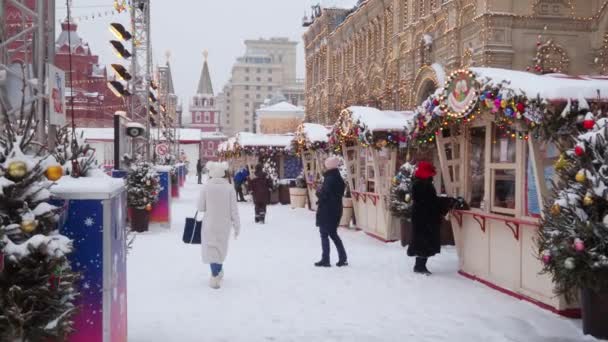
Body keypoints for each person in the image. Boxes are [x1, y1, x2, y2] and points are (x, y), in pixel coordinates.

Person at [197, 161, 241, 289]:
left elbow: (200, 207)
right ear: (223, 174)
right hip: (224, 224)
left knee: (212, 248)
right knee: (220, 248)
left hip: (209, 223)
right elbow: (234, 210)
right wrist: (237, 225)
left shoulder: (206, 187)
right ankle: (217, 273)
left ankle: (215, 275)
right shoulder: (229, 188)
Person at [408, 161, 442, 275]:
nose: (432, 175)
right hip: (423, 218)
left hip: (423, 217)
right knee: (423, 242)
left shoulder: (423, 182)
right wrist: (440, 203)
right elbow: (427, 201)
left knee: (423, 242)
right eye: (430, 173)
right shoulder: (420, 184)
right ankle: (419, 266)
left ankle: (420, 265)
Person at [315, 156, 348, 267]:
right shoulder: (338, 178)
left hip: (327, 210)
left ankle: (326, 259)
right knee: (333, 234)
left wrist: (319, 191)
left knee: (324, 234)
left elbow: (325, 194)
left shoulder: (329, 179)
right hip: (336, 209)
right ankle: (342, 258)